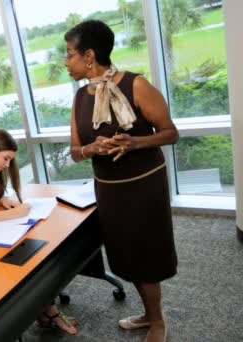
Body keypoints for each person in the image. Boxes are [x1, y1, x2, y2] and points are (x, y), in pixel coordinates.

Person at [65, 20, 178, 342]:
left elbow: (171, 133)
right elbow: (75, 152)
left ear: (89, 55)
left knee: (147, 254)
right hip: (109, 189)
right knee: (126, 255)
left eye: (69, 54)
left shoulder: (136, 84)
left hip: (144, 186)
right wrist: (91, 148)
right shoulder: (79, 98)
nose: (65, 61)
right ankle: (147, 314)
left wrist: (135, 142)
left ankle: (157, 321)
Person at [0, 129, 77, 335]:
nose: (7, 165)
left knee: (32, 260)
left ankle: (44, 309)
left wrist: (4, 201)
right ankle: (46, 311)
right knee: (20, 268)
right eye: (6, 158)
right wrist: (14, 214)